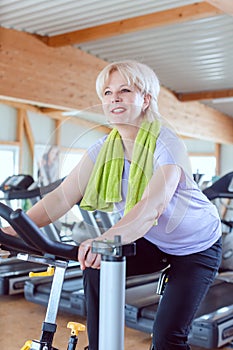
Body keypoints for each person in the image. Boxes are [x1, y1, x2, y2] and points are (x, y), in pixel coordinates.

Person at [2, 60, 222, 350]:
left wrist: (104, 241)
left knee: (168, 336)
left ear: (145, 99)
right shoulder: (102, 150)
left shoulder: (166, 143)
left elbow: (151, 206)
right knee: (98, 267)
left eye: (124, 90)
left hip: (197, 247)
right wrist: (12, 232)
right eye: (106, 92)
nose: (113, 97)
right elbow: (61, 197)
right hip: (153, 239)